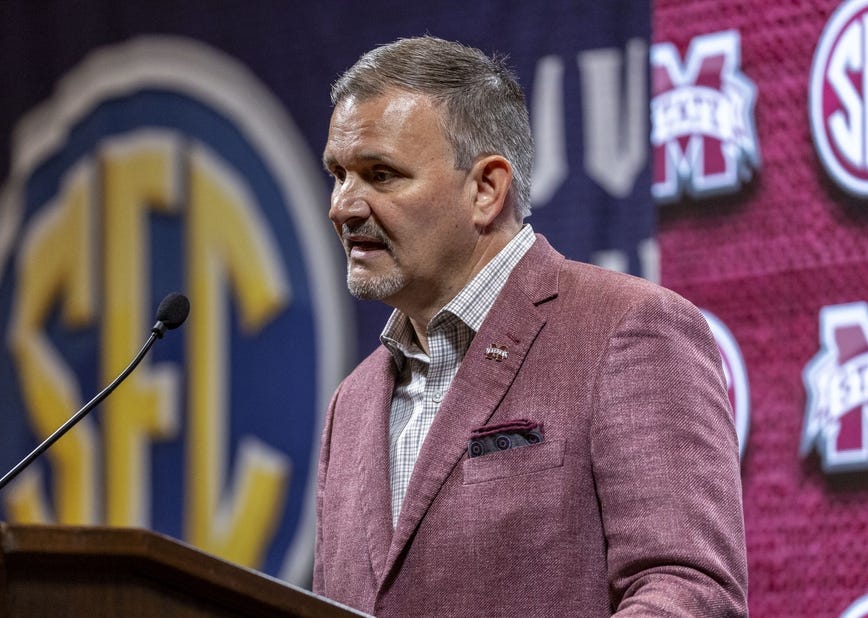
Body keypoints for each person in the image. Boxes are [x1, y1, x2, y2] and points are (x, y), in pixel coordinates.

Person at [313, 36, 747, 617]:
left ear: (486, 189)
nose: (343, 206)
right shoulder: (350, 403)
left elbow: (689, 592)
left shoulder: (630, 330)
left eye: (380, 174)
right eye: (338, 174)